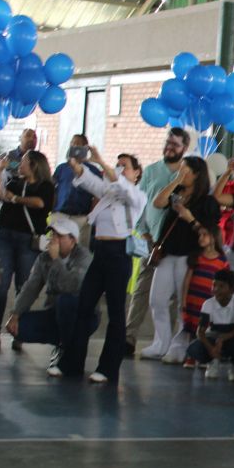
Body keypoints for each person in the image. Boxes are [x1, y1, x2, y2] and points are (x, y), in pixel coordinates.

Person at [57, 149, 148, 384]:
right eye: (118, 165)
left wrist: (101, 162)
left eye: (125, 166)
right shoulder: (108, 192)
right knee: (84, 306)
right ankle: (71, 364)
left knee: (116, 312)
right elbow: (91, 182)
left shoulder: (137, 196)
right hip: (100, 252)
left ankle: (108, 368)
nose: (119, 169)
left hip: (119, 254)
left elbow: (122, 187)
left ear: (137, 173)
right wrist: (76, 165)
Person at [142, 156, 221, 361]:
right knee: (157, 299)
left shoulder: (207, 202)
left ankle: (179, 347)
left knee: (183, 303)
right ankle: (161, 343)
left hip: (190, 255)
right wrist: (176, 181)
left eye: (185, 170)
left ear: (197, 174)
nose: (181, 172)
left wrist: (190, 218)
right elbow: (157, 202)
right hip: (168, 252)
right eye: (180, 169)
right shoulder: (176, 194)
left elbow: (210, 232)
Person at [127, 128, 189, 355]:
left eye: (175, 145)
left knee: (173, 296)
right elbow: (140, 205)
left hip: (177, 244)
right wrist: (145, 235)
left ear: (184, 148)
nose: (169, 148)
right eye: (167, 143)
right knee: (142, 290)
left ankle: (169, 343)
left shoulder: (188, 174)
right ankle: (129, 336)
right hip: (151, 241)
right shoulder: (152, 171)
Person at [5, 216, 94, 376]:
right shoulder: (43, 258)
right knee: (19, 328)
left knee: (66, 301)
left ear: (73, 240)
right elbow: (31, 287)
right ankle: (62, 343)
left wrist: (56, 259)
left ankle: (69, 355)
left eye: (60, 236)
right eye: (53, 235)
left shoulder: (84, 256)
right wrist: (15, 313)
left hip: (83, 316)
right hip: (55, 313)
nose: (54, 239)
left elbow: (71, 286)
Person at [0, 149, 55, 352]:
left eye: (23, 161)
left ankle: (18, 331)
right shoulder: (14, 181)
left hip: (28, 240)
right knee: (0, 284)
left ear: (34, 165)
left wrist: (15, 199)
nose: (19, 164)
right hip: (5, 235)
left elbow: (40, 203)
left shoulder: (45, 186)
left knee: (23, 286)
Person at [175, 225, 229, 366]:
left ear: (213, 238)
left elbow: (225, 283)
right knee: (193, 328)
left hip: (209, 301)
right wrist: (184, 300)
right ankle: (191, 356)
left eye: (204, 235)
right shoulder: (197, 257)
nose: (200, 238)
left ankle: (204, 356)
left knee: (206, 329)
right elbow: (187, 280)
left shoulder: (222, 261)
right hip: (194, 299)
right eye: (200, 235)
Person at [186, 269, 234, 381]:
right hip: (214, 335)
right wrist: (211, 349)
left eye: (221, 286)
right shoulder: (208, 304)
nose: (216, 289)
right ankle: (213, 361)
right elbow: (200, 332)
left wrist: (223, 338)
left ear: (232, 289)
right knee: (194, 348)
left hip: (233, 335)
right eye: (214, 285)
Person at [51, 134, 103, 246]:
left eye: (77, 143)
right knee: (56, 245)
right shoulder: (62, 167)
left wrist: (90, 215)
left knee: (79, 248)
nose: (74, 145)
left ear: (85, 147)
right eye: (72, 143)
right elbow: (54, 189)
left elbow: (97, 195)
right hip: (60, 213)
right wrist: (53, 209)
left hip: (81, 216)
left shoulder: (93, 170)